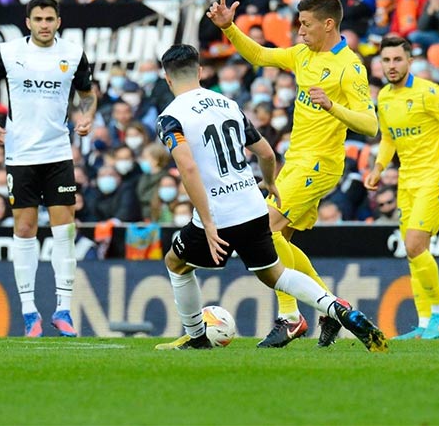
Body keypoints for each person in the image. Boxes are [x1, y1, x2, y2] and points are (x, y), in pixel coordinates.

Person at [153, 44, 387, 352]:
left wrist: (208, 222)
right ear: (200, 72)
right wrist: (269, 182)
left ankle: (196, 337)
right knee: (276, 274)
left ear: (168, 79)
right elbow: (264, 151)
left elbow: (187, 166)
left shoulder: (171, 117)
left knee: (176, 263)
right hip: (252, 206)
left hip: (219, 213)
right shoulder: (228, 103)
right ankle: (337, 308)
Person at [208, 0, 378, 348]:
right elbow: (260, 55)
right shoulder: (302, 54)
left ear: (329, 24)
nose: (300, 31)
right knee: (280, 238)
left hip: (320, 163)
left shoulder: (350, 67)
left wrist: (333, 106)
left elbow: (370, 125)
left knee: (264, 228)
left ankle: (290, 317)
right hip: (296, 161)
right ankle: (333, 309)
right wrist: (230, 29)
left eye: (306, 24)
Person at [0, 0, 96, 338]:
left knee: (65, 230)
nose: (44, 24)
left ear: (59, 21)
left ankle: (63, 309)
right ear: (28, 22)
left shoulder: (72, 53)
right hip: (21, 155)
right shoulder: (9, 52)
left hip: (58, 153)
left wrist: (87, 115)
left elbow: (88, 93)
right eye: (38, 19)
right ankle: (29, 312)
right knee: (25, 230)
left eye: (50, 19)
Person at [365, 36, 439, 340]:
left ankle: (438, 311)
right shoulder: (383, 96)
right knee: (414, 253)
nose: (391, 66)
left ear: (410, 61)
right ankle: (424, 324)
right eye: (386, 60)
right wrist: (378, 167)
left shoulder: (429, 92)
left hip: (433, 179)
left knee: (414, 245)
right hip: (406, 182)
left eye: (397, 60)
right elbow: (389, 138)